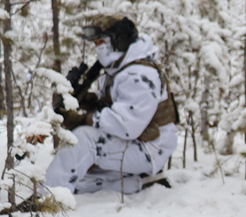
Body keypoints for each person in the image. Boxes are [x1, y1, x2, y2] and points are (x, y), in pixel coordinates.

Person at [46, 15, 178, 195]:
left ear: (119, 41)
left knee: (86, 139)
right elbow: (113, 103)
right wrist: (86, 101)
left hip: (150, 149)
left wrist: (83, 119)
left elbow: (127, 125)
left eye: (101, 42)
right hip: (138, 144)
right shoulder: (120, 68)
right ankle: (140, 182)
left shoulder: (139, 74)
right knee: (79, 180)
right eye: (95, 43)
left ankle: (47, 200)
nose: (97, 47)